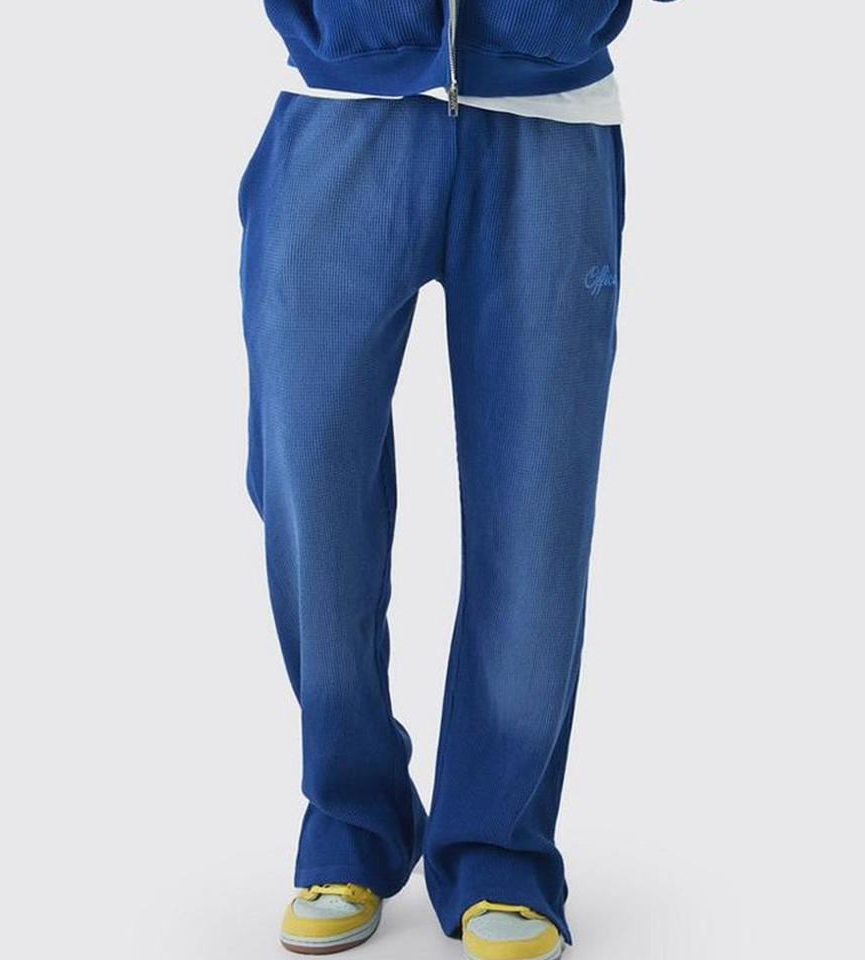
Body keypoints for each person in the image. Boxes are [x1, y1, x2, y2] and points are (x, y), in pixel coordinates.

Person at [238, 1, 678, 956]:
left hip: (547, 122)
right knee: (309, 486)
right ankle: (348, 819)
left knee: (538, 505)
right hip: (338, 111)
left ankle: (500, 849)